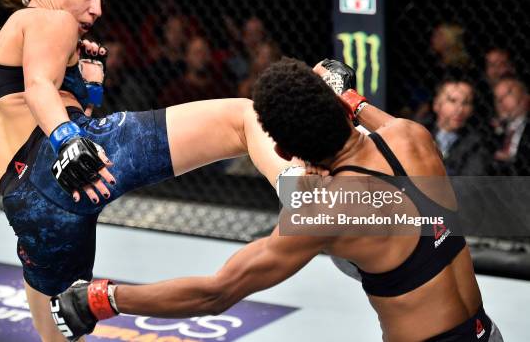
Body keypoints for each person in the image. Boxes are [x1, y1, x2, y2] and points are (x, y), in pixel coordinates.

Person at [52, 58, 503, 342]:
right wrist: (345, 95)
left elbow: (217, 293)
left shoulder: (326, 212)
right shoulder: (412, 135)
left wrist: (103, 299)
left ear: (285, 153)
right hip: (486, 331)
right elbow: (358, 108)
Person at [0, 0, 291, 342]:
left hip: (28, 206)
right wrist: (69, 137)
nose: (97, 9)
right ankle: (307, 200)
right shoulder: (49, 20)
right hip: (59, 158)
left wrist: (87, 91)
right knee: (242, 118)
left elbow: (32, 106)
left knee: (63, 327)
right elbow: (38, 90)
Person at [428, 77, 490, 175]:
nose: (460, 109)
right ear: (436, 104)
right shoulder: (419, 132)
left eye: (466, 103)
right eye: (452, 101)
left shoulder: (478, 143)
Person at [491, 76, 530, 175]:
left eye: (508, 94)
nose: (500, 101)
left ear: (525, 98)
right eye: (497, 97)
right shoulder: (492, 130)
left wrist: (513, 159)